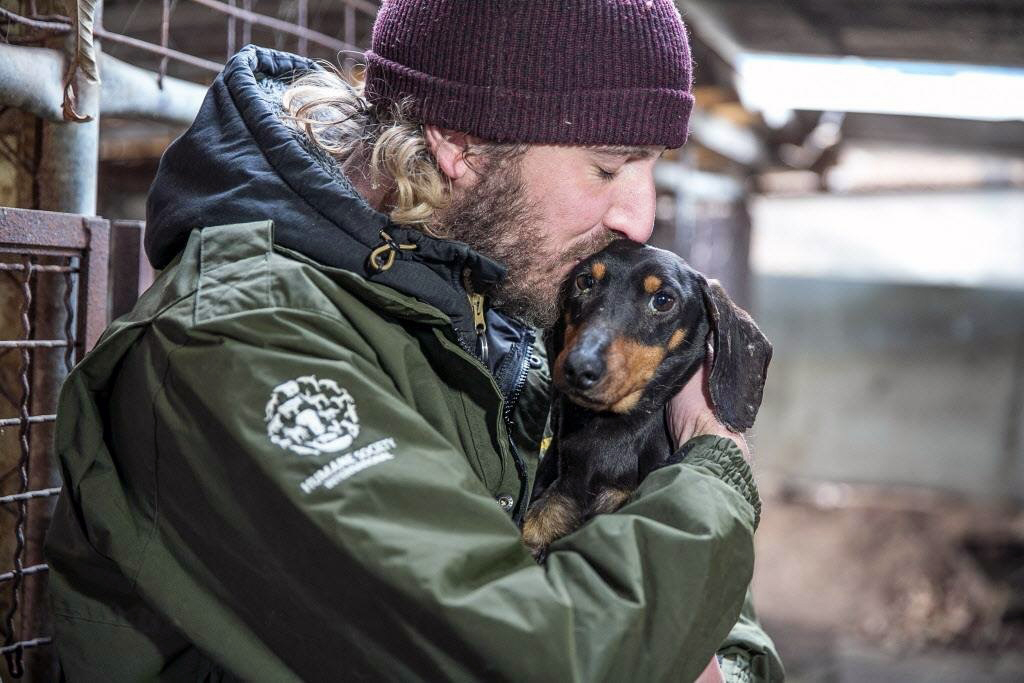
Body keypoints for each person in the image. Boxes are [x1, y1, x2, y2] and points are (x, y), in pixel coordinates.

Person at [45, 1, 783, 681]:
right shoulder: (239, 343)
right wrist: (716, 466)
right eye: (609, 167)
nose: (641, 217)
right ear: (461, 143)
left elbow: (712, 624)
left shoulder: (505, 312)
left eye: (653, 169)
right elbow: (536, 657)